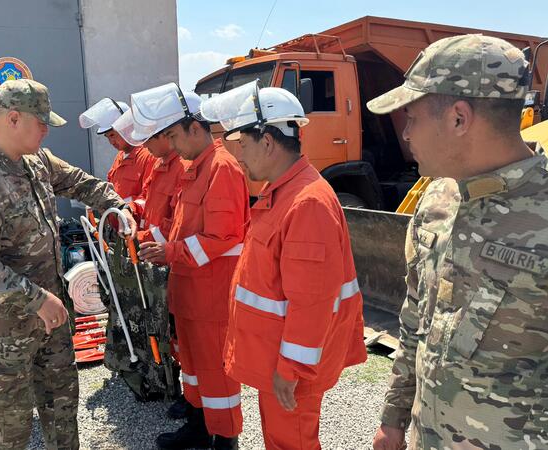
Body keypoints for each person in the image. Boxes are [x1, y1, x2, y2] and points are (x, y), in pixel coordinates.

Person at [367, 34, 548, 450]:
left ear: (458, 119)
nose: (405, 134)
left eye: (412, 117)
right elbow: (415, 319)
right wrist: (393, 418)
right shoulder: (437, 199)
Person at [0, 79, 136, 450]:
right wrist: (37, 299)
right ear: (13, 118)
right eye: (41, 122)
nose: (46, 130)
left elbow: (79, 182)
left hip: (51, 316)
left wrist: (117, 205)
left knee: (61, 403)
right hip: (5, 327)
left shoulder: (36, 161)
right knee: (12, 420)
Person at [201, 81, 367, 449]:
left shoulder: (306, 203)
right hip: (278, 359)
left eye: (242, 144)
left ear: (267, 141)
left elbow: (312, 301)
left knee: (291, 443)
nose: (238, 156)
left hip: (290, 369)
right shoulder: (283, 193)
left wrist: (290, 369)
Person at [135, 83, 248, 450]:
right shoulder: (195, 168)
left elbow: (222, 237)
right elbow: (181, 227)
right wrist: (154, 241)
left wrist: (170, 252)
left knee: (217, 373)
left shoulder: (221, 168)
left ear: (195, 128)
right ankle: (199, 427)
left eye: (173, 136)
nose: (172, 144)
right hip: (189, 292)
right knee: (194, 368)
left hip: (211, 296)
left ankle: (225, 440)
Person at [112, 108, 192, 420]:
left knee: (176, 330)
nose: (144, 146)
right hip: (153, 255)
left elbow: (176, 222)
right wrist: (131, 210)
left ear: (166, 137)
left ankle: (187, 392)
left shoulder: (182, 166)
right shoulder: (161, 164)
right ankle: (173, 384)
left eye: (149, 140)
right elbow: (149, 200)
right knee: (164, 327)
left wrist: (143, 237)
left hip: (167, 258)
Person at [79, 97, 155, 202]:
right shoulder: (120, 156)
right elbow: (113, 190)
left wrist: (119, 206)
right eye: (108, 137)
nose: (111, 142)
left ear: (127, 127)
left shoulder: (149, 155)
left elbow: (149, 198)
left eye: (112, 135)